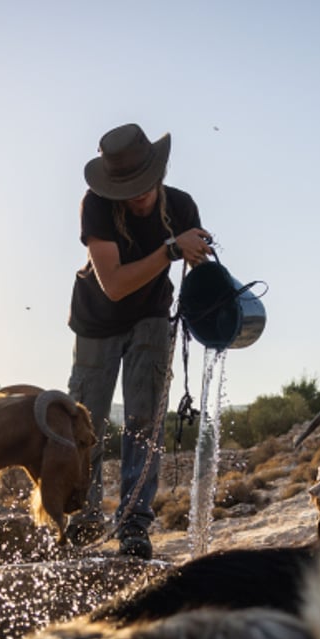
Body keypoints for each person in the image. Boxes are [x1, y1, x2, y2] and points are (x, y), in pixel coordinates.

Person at [64, 123, 213, 559]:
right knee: (85, 426)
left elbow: (200, 271)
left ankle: (134, 525)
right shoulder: (95, 206)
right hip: (96, 318)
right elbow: (113, 284)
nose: (138, 194)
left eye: (144, 184)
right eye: (126, 187)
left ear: (158, 173)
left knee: (144, 420)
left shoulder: (182, 206)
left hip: (151, 316)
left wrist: (211, 281)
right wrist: (171, 249)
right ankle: (82, 520)